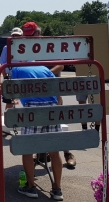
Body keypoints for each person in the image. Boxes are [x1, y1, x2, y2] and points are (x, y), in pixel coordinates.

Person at [21, 21, 77, 169]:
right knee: (35, 125)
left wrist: (44, 76)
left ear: (38, 34)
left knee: (58, 125)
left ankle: (67, 154)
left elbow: (61, 65)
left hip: (53, 92)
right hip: (34, 94)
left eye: (30, 35)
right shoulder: (24, 48)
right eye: (25, 36)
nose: (27, 39)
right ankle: (40, 156)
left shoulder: (50, 46)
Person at [11, 65, 64, 201]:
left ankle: (31, 187)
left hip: (32, 109)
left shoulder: (15, 69)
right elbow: (59, 96)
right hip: (51, 109)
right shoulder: (45, 69)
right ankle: (57, 189)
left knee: (27, 150)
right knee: (54, 152)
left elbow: (9, 91)